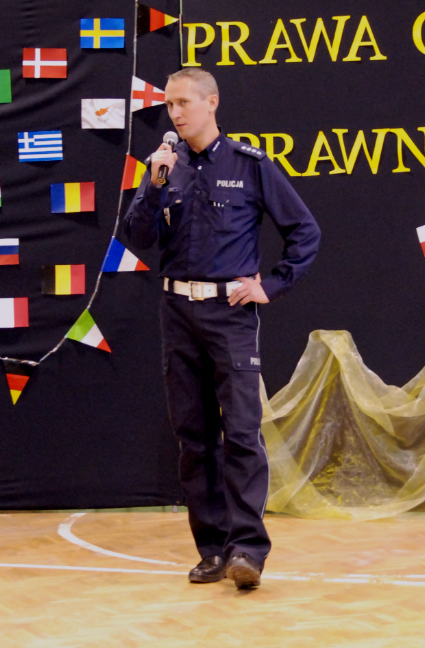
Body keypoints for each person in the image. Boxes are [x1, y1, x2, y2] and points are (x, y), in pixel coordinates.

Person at [124, 68, 320, 589]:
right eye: (169, 105)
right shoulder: (164, 167)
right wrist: (153, 184)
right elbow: (137, 235)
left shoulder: (249, 164)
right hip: (177, 313)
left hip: (229, 315)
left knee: (241, 433)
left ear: (212, 102)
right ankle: (212, 550)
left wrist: (271, 285)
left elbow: (304, 231)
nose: (175, 113)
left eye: (184, 102)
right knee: (194, 437)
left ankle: (247, 551)